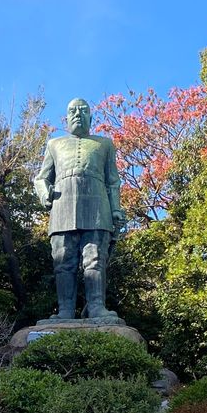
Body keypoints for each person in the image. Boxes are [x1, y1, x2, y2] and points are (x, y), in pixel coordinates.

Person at [34, 98, 125, 320]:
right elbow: (41, 178)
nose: (78, 114)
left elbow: (113, 181)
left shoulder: (104, 144)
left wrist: (116, 210)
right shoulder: (54, 144)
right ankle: (65, 310)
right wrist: (45, 194)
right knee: (63, 261)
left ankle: (96, 308)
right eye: (73, 111)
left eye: (83, 111)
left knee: (95, 258)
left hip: (97, 207)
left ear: (91, 118)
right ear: (66, 117)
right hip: (62, 206)